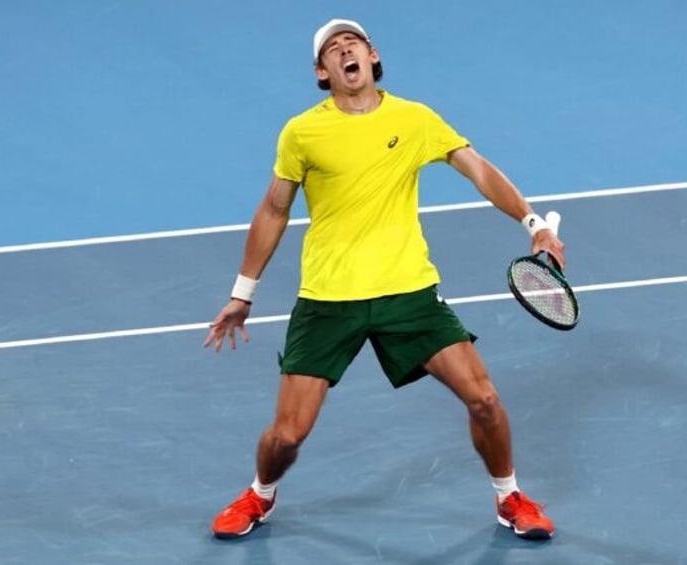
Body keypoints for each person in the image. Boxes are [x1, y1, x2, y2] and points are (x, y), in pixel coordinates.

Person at [203, 18, 565, 541]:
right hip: (329, 299)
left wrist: (533, 225)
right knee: (287, 437)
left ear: (373, 57)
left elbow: (477, 168)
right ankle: (259, 494)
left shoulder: (414, 119)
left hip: (408, 292)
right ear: (322, 73)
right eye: (333, 49)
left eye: (354, 43)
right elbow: (273, 210)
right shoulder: (303, 132)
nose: (345, 50)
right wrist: (243, 294)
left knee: (484, 399)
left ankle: (509, 495)